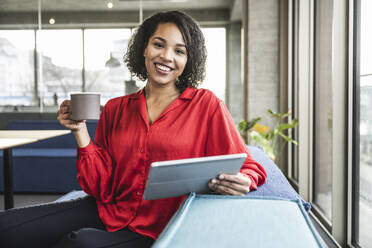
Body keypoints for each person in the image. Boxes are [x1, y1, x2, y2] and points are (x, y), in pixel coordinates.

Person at [0, 10, 266, 248]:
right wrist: (80, 132)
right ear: (144, 49)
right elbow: (98, 188)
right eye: (158, 44)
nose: (166, 56)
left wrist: (244, 180)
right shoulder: (116, 108)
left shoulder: (205, 105)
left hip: (159, 225)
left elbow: (248, 166)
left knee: (78, 243)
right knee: (6, 227)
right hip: (108, 209)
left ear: (188, 60)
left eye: (179, 51)